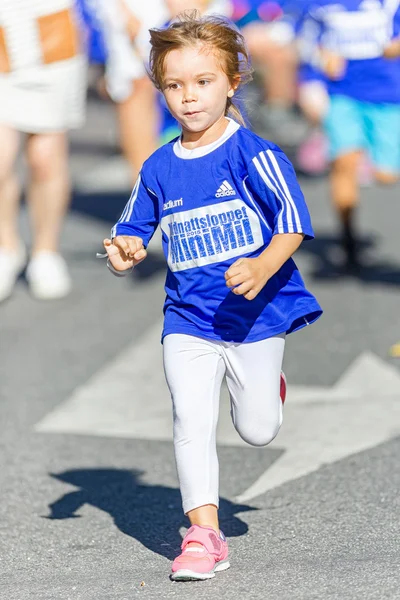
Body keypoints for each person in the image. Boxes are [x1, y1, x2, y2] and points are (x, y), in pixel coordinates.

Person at [102, 11, 322, 581]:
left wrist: (264, 263)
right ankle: (203, 535)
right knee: (190, 420)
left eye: (203, 82)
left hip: (255, 316)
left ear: (231, 81)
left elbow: (292, 222)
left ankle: (265, 389)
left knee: (257, 428)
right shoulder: (158, 165)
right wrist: (125, 251)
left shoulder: (252, 154)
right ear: (161, 91)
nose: (189, 98)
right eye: (174, 86)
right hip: (189, 318)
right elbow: (133, 229)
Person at [297, 0, 400, 267]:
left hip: (388, 96)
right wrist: (318, 65)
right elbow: (304, 42)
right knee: (344, 163)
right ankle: (348, 237)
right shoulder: (318, 5)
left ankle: (371, 153)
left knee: (386, 175)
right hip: (342, 93)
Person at [0, 0, 87, 302]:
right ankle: (6, 247)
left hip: (50, 31)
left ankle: (45, 252)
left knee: (44, 159)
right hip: (3, 28)